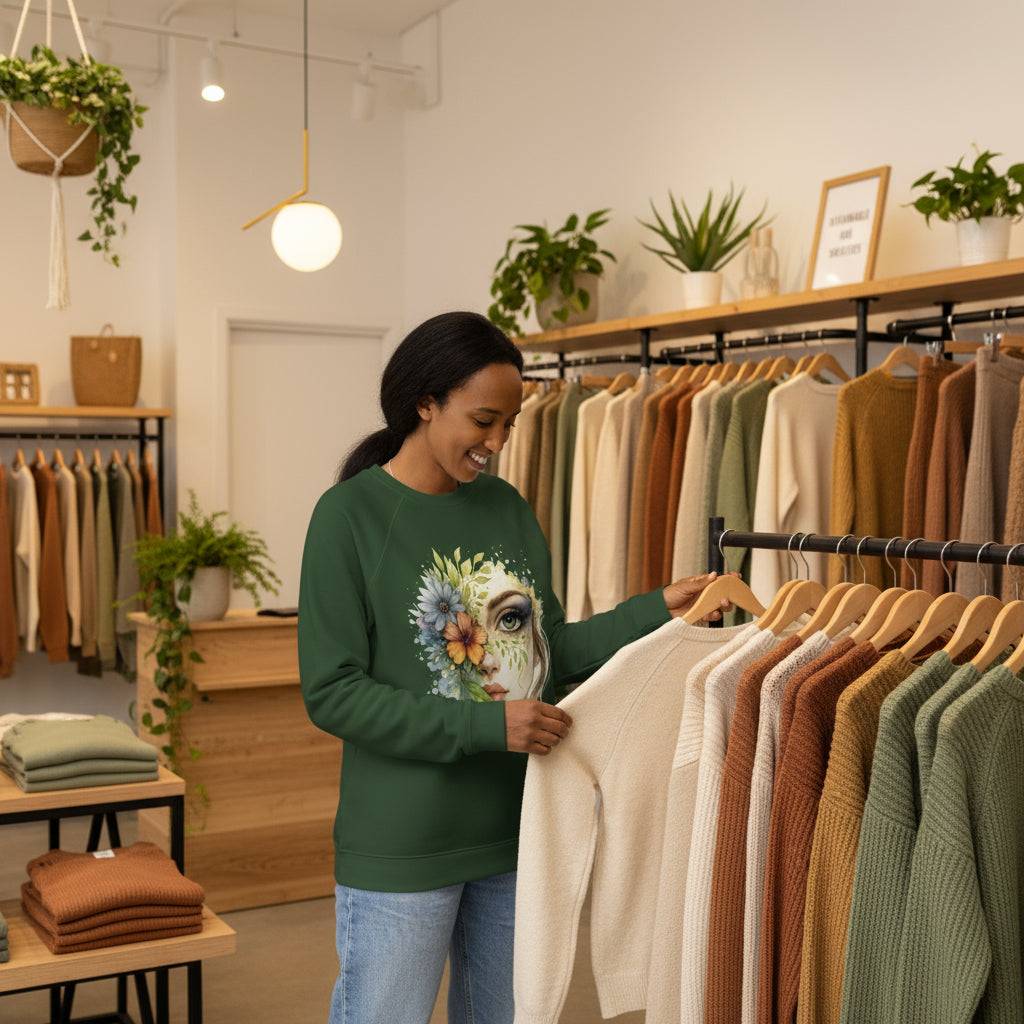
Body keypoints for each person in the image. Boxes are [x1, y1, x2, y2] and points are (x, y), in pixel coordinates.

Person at [297, 310, 731, 1024]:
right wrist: (485, 726)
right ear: (424, 402)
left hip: (518, 833)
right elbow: (334, 694)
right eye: (483, 421)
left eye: (510, 425)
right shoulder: (348, 517)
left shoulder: (505, 508)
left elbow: (547, 656)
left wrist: (661, 609)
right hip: (402, 847)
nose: (496, 444)